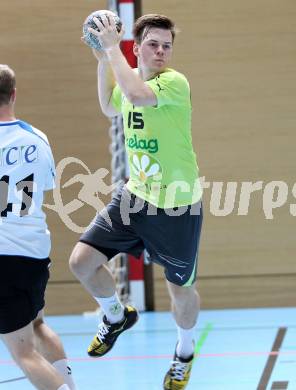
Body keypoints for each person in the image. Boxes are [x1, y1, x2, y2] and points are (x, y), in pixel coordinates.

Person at [69, 13, 203, 390]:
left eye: (166, 46)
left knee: (181, 291)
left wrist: (112, 50)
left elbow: (134, 96)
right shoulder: (131, 80)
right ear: (138, 47)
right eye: (153, 44)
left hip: (177, 207)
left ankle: (184, 351)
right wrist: (101, 59)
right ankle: (115, 315)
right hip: (135, 198)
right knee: (82, 262)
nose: (160, 51)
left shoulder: (173, 83)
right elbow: (110, 106)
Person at [0, 64, 76, 390]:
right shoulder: (37, 136)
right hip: (34, 253)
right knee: (39, 324)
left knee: (23, 352)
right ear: (14, 94)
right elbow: (41, 187)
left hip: (3, 257)